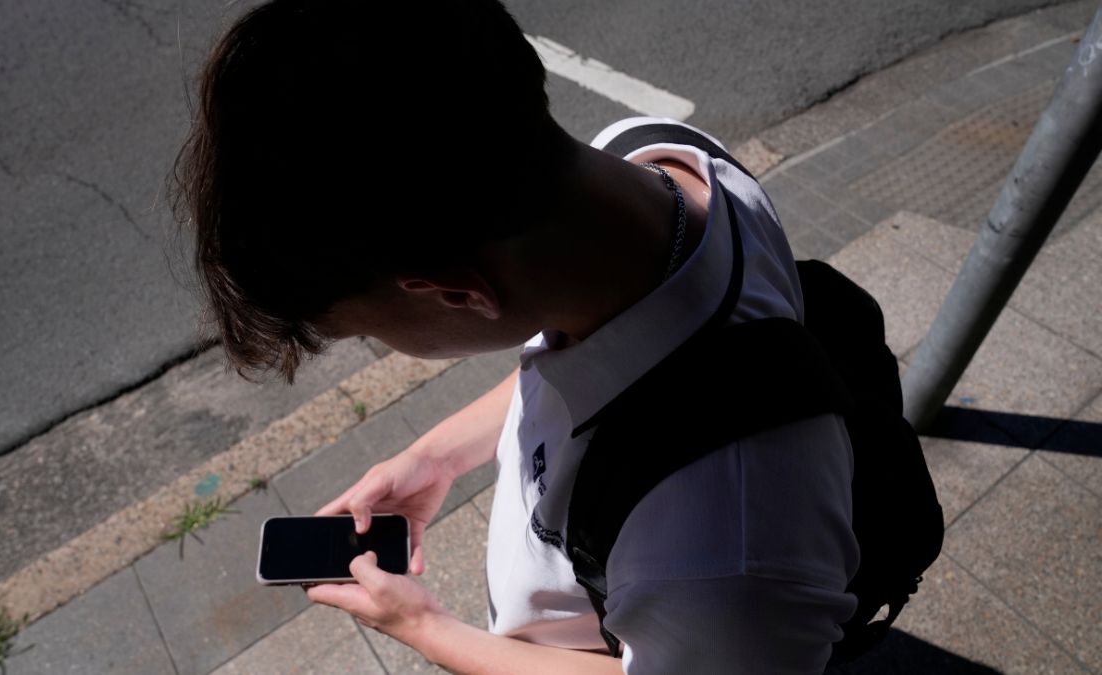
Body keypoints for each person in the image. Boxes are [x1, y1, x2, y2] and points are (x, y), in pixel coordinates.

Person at [173, 0, 859, 672]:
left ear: (456, 290)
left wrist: (425, 626)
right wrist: (438, 456)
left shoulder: (722, 556)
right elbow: (586, 367)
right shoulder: (647, 169)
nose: (381, 344)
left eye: (369, 333)